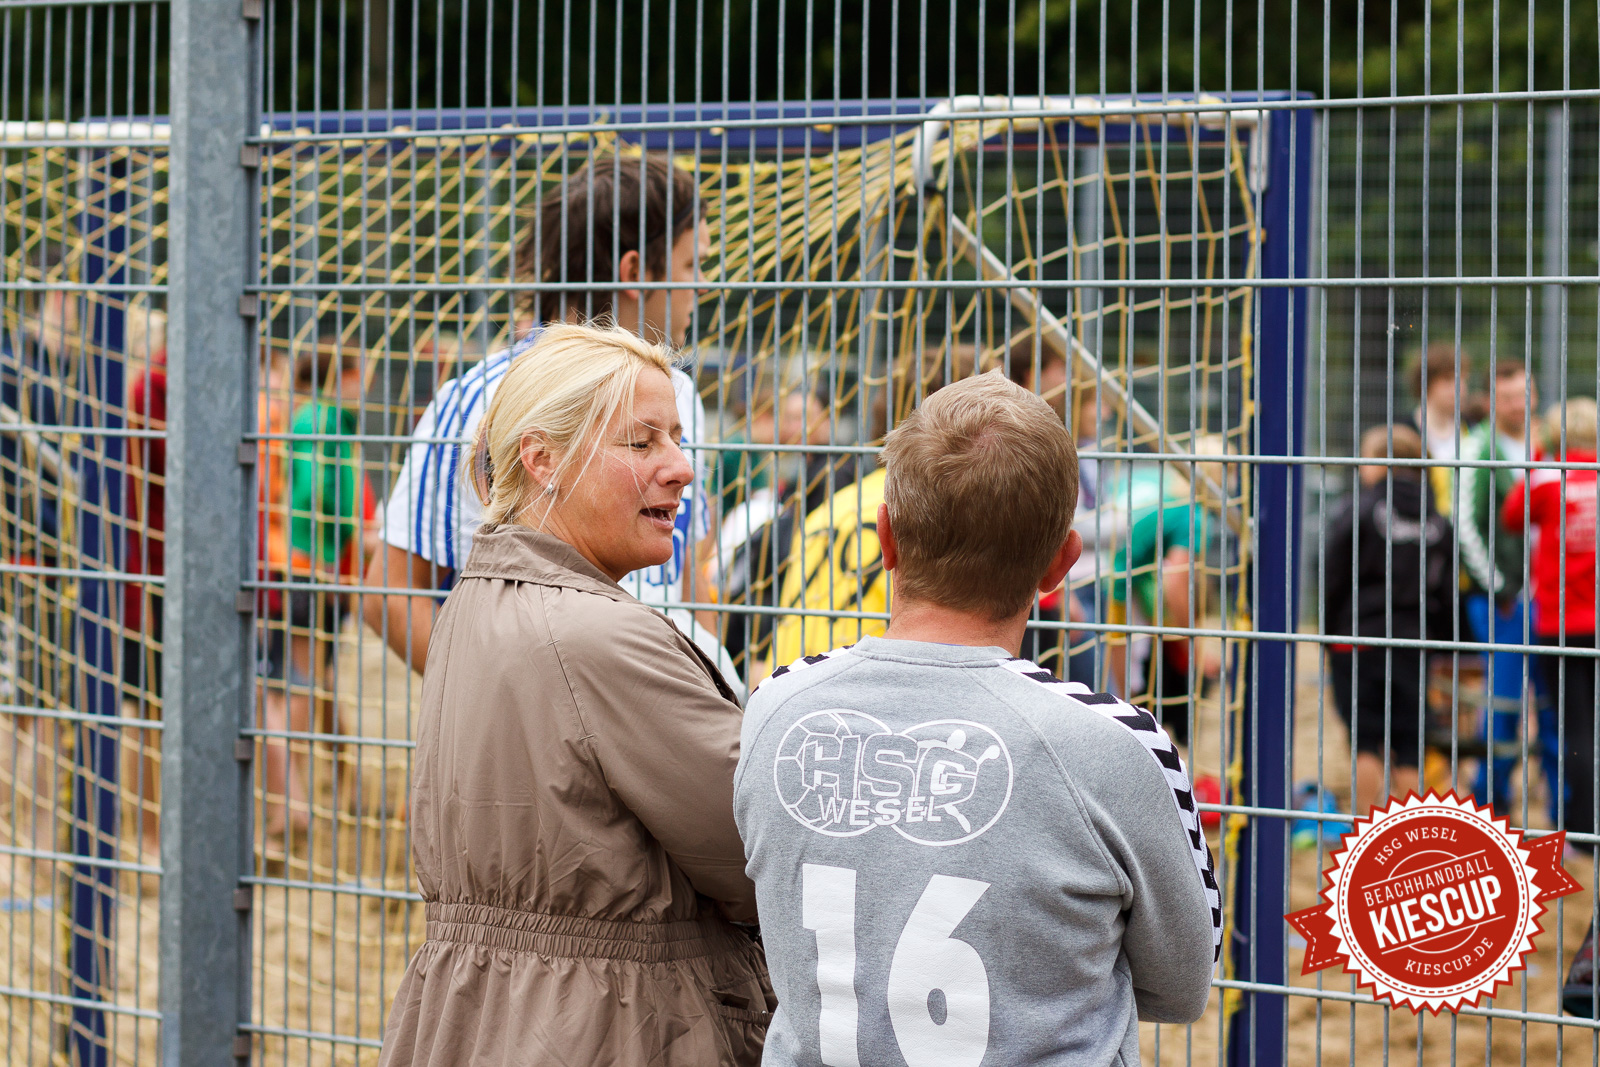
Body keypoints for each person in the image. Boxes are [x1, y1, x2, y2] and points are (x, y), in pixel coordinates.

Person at [734, 373, 1219, 1067]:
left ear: (886, 538)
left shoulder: (774, 709)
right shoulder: (1115, 743)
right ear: (1061, 564)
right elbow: (1182, 982)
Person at [377, 323, 770, 1066]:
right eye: (642, 441)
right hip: (610, 1029)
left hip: (479, 1020)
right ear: (541, 457)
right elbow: (758, 847)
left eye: (678, 438)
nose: (681, 467)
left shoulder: (474, 602)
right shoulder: (600, 637)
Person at [365, 152, 727, 686]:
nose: (703, 287)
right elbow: (390, 596)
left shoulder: (678, 392)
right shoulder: (477, 399)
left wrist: (710, 679)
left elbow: (688, 570)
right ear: (633, 271)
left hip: (655, 709)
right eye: (691, 265)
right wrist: (499, 703)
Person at [261, 342, 377, 837]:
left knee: (315, 680)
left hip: (304, 568)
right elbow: (315, 493)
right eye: (361, 374)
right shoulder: (321, 421)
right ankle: (293, 803)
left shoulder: (314, 419)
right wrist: (328, 562)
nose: (366, 386)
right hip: (309, 571)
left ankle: (341, 785)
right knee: (298, 686)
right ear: (342, 376)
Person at [1324, 425, 1455, 818]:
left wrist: (1330, 633)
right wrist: (1443, 641)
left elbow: (1332, 575)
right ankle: (1404, 836)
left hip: (1358, 637)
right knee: (1410, 741)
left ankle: (1366, 829)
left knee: (1365, 739)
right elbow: (1445, 591)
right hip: (1414, 641)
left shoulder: (1359, 507)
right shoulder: (1437, 519)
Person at [1457, 361, 1556, 815]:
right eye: (1509, 396)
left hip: (1550, 599)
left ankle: (1563, 813)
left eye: (1525, 394)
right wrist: (1499, 586)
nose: (1519, 404)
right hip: (1504, 600)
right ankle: (1491, 808)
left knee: (1554, 704)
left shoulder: (1547, 442)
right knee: (1504, 706)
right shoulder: (1479, 447)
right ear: (1492, 401)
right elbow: (1467, 527)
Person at [1502, 398, 1598, 848]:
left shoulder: (1549, 475)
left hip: (1560, 623)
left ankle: (1581, 828)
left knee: (1574, 727)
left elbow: (1511, 517)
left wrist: (1540, 457)